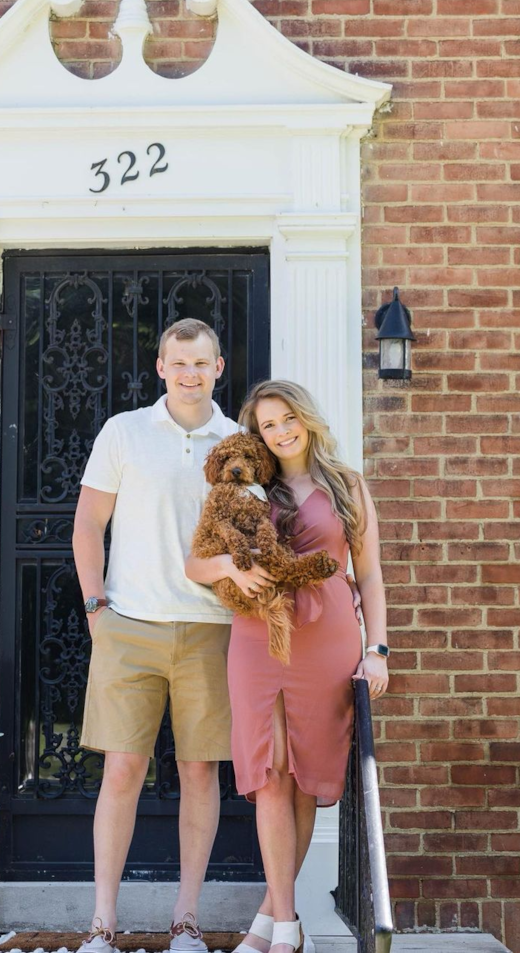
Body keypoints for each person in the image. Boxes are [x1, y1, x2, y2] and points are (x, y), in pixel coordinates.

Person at [185, 380, 389, 953]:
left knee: (303, 782)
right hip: (259, 640)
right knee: (271, 774)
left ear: (307, 418)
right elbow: (196, 563)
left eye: (286, 418)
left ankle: (270, 922)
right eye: (267, 425)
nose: (279, 431)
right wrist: (230, 563)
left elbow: (368, 575)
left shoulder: (347, 485)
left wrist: (378, 649)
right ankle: (288, 927)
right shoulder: (249, 486)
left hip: (327, 641)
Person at [72, 318, 240, 953]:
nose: (190, 373)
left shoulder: (240, 441)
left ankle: (186, 920)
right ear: (161, 367)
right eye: (179, 362)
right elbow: (88, 524)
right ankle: (101, 924)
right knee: (122, 771)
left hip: (212, 630)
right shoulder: (124, 432)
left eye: (201, 363)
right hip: (130, 626)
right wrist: (96, 609)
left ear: (218, 367)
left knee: (201, 774)